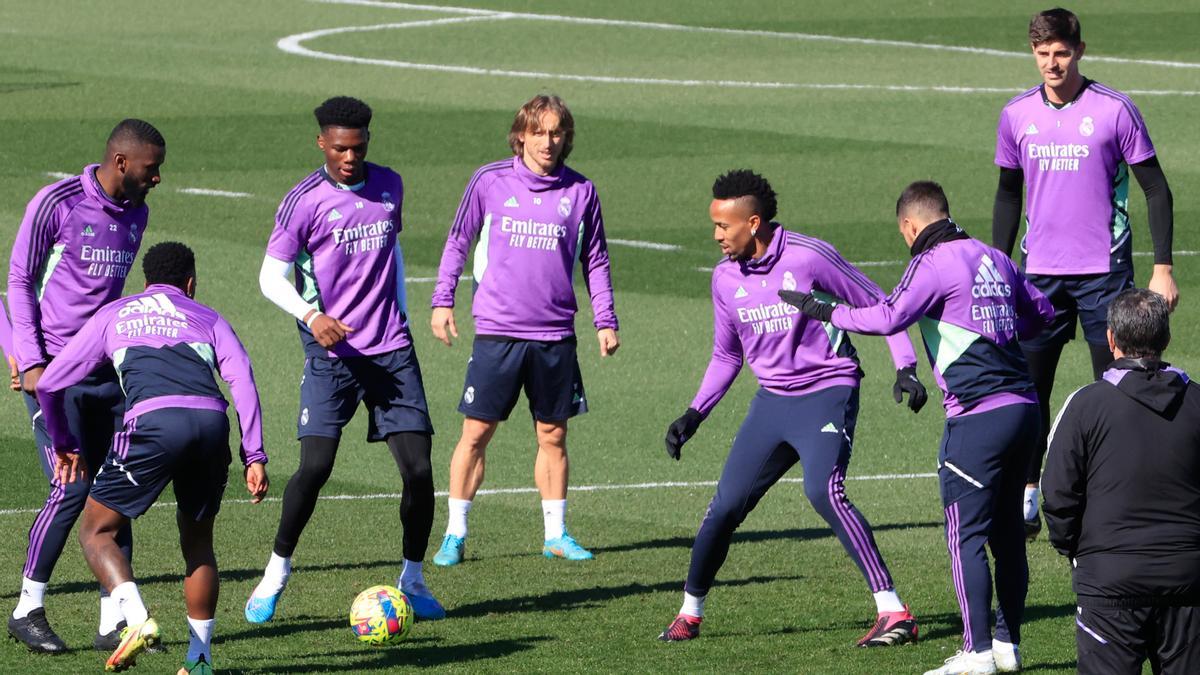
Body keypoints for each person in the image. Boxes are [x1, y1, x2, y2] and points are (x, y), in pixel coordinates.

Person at [782, 181, 1055, 674]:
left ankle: (975, 654)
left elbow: (889, 316)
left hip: (977, 417)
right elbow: (1042, 316)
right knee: (1009, 534)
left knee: (965, 535)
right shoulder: (993, 256)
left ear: (910, 226)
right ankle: (1007, 645)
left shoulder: (931, 263)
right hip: (1026, 410)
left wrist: (824, 310)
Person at [657, 169, 925, 645]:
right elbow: (727, 355)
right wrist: (694, 413)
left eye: (724, 226)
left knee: (823, 491)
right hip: (772, 402)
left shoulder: (808, 256)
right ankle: (690, 612)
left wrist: (905, 367)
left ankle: (894, 612)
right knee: (725, 507)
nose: (716, 235)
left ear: (754, 222)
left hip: (828, 389)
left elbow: (882, 304)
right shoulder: (724, 278)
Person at [245, 96, 444, 623]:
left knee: (420, 472)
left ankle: (414, 578)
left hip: (391, 351)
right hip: (332, 354)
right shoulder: (302, 201)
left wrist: (401, 312)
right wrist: (312, 317)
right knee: (315, 467)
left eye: (357, 148)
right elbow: (270, 278)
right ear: (322, 144)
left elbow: (392, 251)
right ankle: (276, 573)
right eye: (339, 148)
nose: (349, 157)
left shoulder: (390, 185)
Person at [37, 242, 267, 674]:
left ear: (144, 284)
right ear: (191, 284)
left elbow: (50, 383)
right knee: (199, 543)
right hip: (211, 421)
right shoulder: (209, 317)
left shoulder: (115, 313)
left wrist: (65, 441)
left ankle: (137, 619)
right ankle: (199, 663)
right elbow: (243, 378)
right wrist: (254, 454)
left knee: (95, 530)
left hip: (153, 423)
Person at [991, 7, 1176, 538]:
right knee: (1029, 388)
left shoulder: (1115, 110)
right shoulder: (1016, 115)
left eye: (1062, 52)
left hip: (1105, 274)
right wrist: (1001, 267)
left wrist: (1162, 268)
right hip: (1038, 277)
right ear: (1033, 52)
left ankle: (1106, 495)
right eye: (1043, 53)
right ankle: (1027, 491)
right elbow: (1008, 194)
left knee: (1113, 389)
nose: (1052, 63)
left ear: (1080, 50)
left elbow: (1157, 189)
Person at [429, 94, 619, 566]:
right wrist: (442, 300)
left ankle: (555, 534)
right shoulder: (490, 181)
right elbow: (458, 240)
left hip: (555, 334)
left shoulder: (581, 192)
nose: (548, 142)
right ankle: (455, 533)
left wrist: (605, 319)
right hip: (499, 330)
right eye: (539, 132)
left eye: (556, 133)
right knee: (476, 432)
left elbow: (595, 259)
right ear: (521, 135)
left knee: (553, 434)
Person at [6, 119, 165, 653]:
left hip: (106, 373)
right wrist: (29, 361)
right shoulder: (58, 202)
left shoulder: (137, 212)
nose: (158, 178)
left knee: (114, 492)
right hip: (55, 375)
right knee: (71, 487)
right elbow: (18, 280)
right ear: (122, 162)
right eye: (151, 168)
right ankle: (27, 608)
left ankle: (112, 621)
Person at [1042, 289, 1200, 674]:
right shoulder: (1196, 400)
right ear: (1165, 339)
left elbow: (1058, 492)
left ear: (1111, 339)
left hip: (1109, 584)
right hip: (1187, 580)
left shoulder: (1085, 404)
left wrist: (1075, 551)